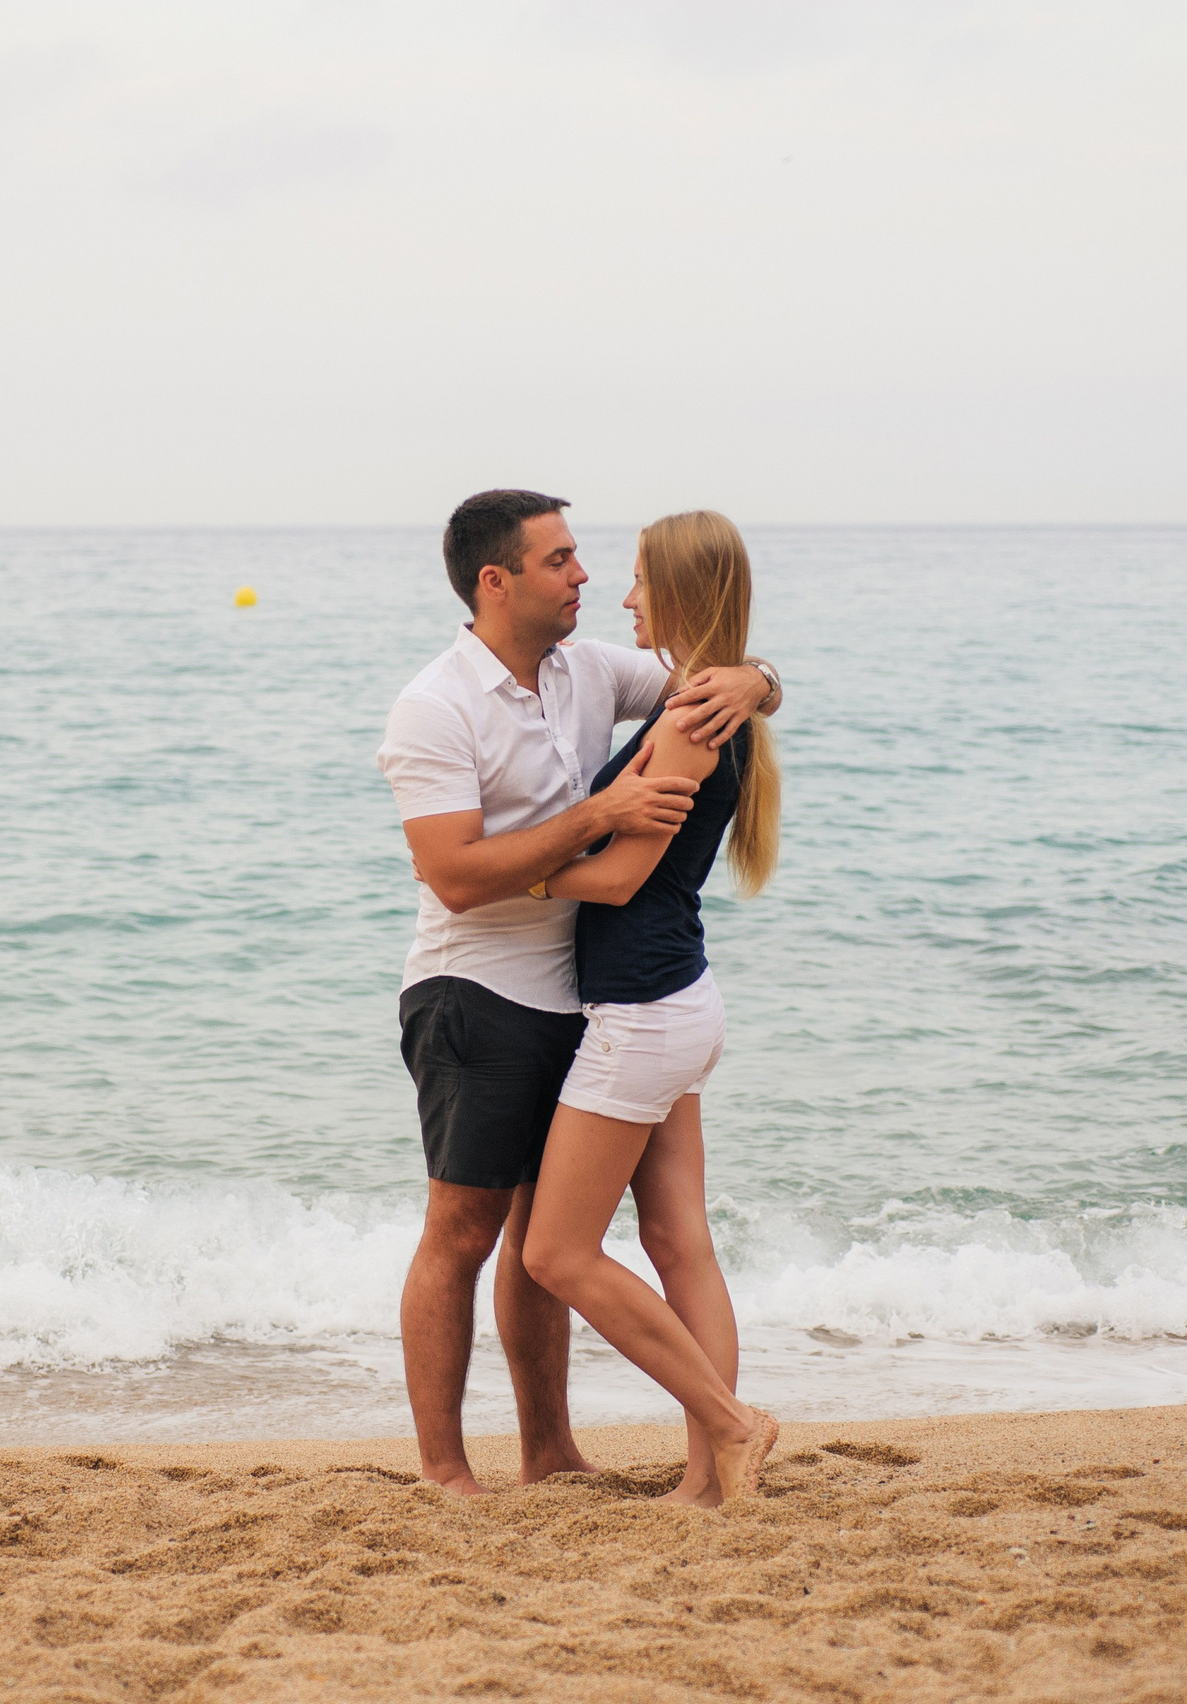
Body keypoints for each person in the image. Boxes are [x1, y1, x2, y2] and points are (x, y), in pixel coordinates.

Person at [375, 490, 783, 1496]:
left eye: (588, 560)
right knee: (465, 1232)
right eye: (559, 560)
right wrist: (597, 815)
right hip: (476, 994)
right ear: (494, 580)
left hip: (600, 999)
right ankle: (442, 1469)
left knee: (541, 1241)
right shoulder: (435, 705)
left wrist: (758, 675)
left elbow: (707, 682)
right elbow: (455, 876)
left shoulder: (589, 669)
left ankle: (554, 1450)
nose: (587, 579)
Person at [517, 510, 782, 1504]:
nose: (623, 596)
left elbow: (620, 879)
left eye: (637, 579)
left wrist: (507, 879)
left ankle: (729, 1426)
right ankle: (715, 1482)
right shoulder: (710, 701)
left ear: (678, 591)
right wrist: (761, 674)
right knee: (678, 1242)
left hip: (643, 1012)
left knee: (555, 1251)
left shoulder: (686, 717)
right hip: (679, 1000)